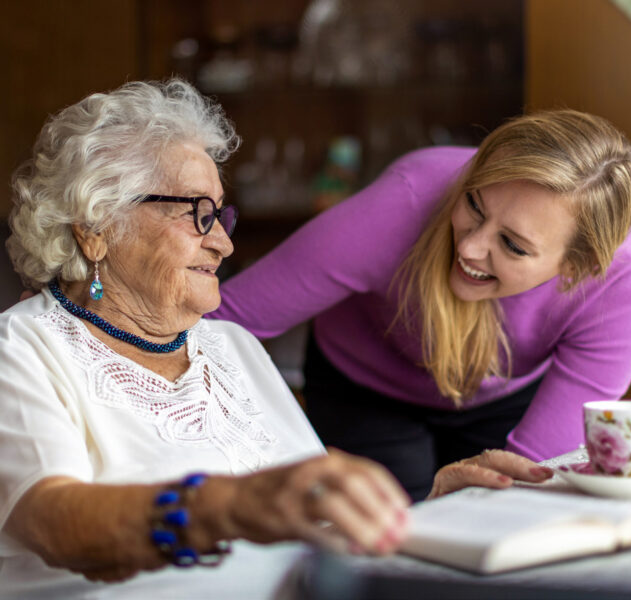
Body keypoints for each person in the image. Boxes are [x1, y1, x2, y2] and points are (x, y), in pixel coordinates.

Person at [0, 79, 551, 598]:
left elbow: (314, 527)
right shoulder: (22, 350)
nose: (223, 243)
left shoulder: (230, 347)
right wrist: (227, 505)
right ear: (96, 228)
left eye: (221, 215)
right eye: (198, 214)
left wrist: (424, 512)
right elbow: (53, 521)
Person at [213, 109, 631, 501]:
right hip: (365, 386)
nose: (470, 247)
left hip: (506, 396)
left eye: (512, 245)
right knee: (385, 541)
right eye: (474, 203)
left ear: (578, 267)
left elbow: (529, 483)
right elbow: (220, 321)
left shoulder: (624, 287)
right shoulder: (407, 199)